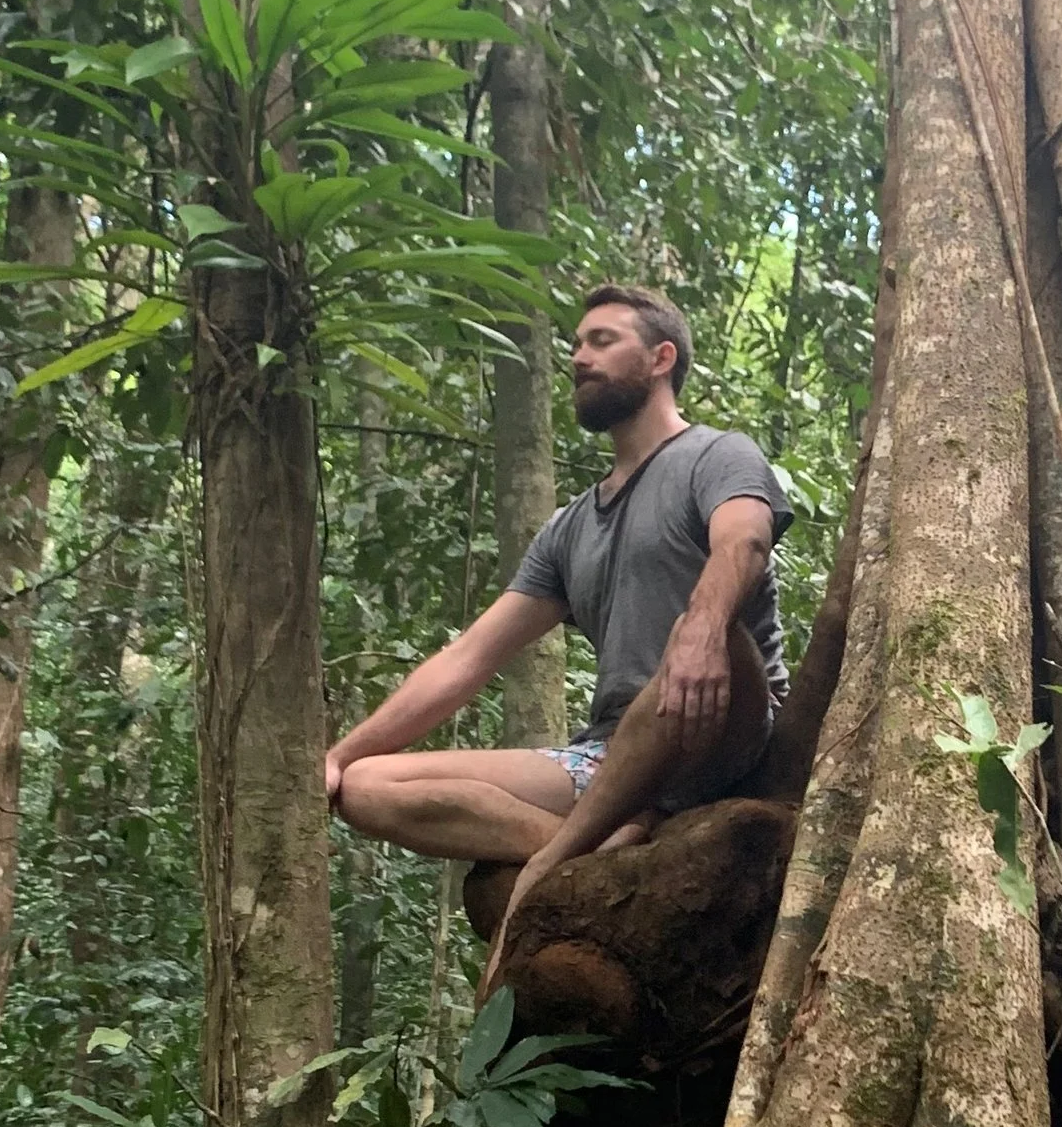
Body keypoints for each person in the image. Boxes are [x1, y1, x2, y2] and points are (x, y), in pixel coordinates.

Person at [327, 281, 791, 957]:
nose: (579, 356)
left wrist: (700, 627)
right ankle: (606, 848)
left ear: (661, 358)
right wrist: (340, 758)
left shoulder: (716, 455)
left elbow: (744, 542)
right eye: (576, 344)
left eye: (602, 341)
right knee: (368, 789)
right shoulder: (571, 527)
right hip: (609, 755)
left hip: (721, 721)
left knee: (703, 632)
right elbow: (469, 660)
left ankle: (563, 856)